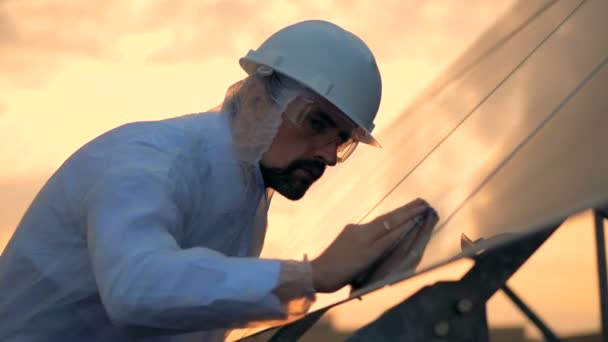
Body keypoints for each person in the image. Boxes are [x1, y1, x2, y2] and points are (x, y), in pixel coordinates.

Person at [0, 20, 437, 341]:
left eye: (342, 140)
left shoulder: (248, 199)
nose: (328, 154)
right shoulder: (145, 162)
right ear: (257, 98)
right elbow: (134, 287)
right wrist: (311, 276)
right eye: (316, 122)